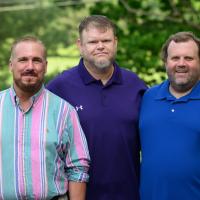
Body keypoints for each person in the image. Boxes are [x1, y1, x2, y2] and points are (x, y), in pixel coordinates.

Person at [47, 15, 147, 200]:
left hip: (129, 193)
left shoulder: (136, 85)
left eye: (106, 40)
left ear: (115, 42)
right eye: (93, 41)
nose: (100, 46)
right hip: (78, 195)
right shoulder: (59, 88)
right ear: (80, 45)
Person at [0, 36, 90, 200]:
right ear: (11, 65)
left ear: (45, 66)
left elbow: (78, 168)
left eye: (36, 60)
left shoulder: (64, 111)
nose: (30, 66)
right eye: (22, 60)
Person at [139, 31, 200, 200]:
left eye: (189, 58)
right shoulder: (148, 97)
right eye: (175, 58)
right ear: (165, 62)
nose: (181, 64)